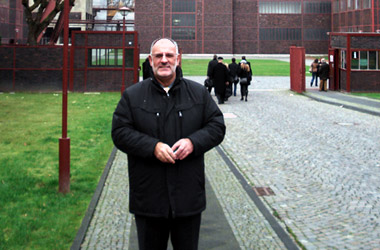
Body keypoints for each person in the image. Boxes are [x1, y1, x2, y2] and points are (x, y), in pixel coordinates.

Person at [112, 38, 226, 250]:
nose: (164, 60)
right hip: (148, 199)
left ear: (178, 59)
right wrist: (152, 147)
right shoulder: (133, 95)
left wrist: (193, 142)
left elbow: (217, 126)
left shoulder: (198, 93)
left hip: (188, 197)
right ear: (150, 60)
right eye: (158, 56)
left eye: (169, 55)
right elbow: (120, 132)